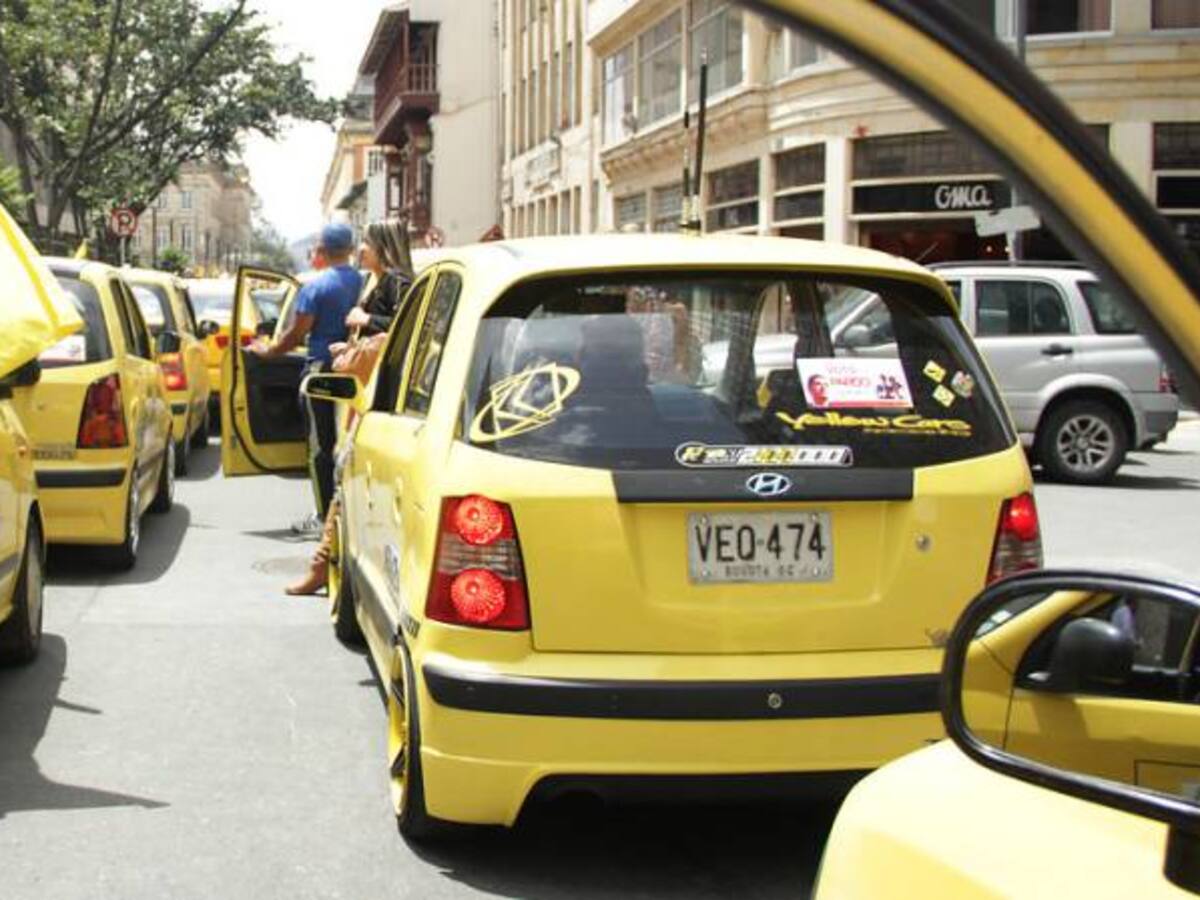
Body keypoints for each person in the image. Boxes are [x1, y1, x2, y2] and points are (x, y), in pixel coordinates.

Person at [286, 220, 413, 596]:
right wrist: (351, 345)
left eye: (368, 244)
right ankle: (327, 563)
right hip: (367, 392)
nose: (361, 251)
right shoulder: (373, 281)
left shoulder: (397, 282)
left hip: (381, 396)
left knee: (343, 474)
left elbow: (406, 329)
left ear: (383, 247)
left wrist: (366, 320)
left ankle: (323, 565)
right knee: (346, 475)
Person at [250, 222, 362, 531]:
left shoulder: (315, 287)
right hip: (357, 371)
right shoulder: (363, 282)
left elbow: (295, 334)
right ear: (350, 250)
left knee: (320, 447)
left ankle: (324, 516)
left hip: (321, 373)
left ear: (322, 251)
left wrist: (268, 352)